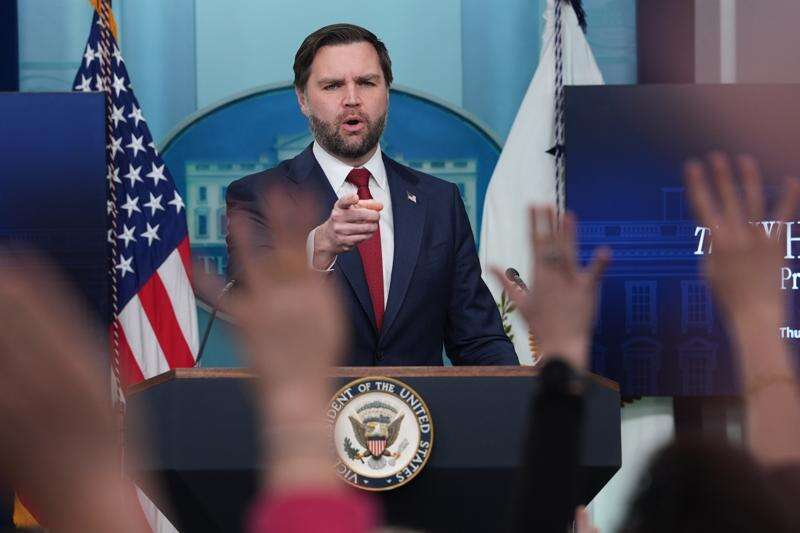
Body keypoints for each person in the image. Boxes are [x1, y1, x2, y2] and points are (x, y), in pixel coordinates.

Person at [226, 23, 517, 367]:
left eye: (366, 82)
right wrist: (318, 247)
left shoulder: (440, 201)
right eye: (333, 85)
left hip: (420, 403)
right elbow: (255, 309)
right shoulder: (258, 197)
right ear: (303, 99)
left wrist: (530, 392)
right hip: (314, 401)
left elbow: (478, 340)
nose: (352, 99)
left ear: (386, 92)